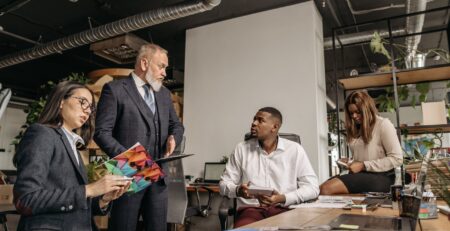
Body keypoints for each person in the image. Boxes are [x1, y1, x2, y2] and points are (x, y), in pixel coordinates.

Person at [13, 81, 130, 231]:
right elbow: (26, 200)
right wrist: (89, 190)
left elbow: (77, 207)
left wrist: (103, 198)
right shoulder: (42, 134)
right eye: (83, 102)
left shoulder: (72, 144)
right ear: (61, 101)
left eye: (91, 107)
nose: (88, 111)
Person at [94, 43, 184, 231]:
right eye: (161, 66)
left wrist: (174, 137)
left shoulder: (165, 95)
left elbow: (176, 125)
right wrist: (134, 161)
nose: (165, 73)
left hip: (158, 181)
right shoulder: (115, 89)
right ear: (144, 63)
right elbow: (101, 133)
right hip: (127, 178)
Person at [219, 107, 319, 227]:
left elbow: (312, 188)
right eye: (254, 119)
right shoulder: (241, 149)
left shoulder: (295, 150)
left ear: (274, 127)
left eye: (260, 120)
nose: (254, 123)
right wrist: (238, 190)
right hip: (251, 210)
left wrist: (282, 198)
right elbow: (224, 184)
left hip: (284, 209)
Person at [320, 90, 403, 195]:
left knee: (325, 189)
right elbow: (365, 157)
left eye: (358, 112)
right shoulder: (356, 128)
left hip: (382, 177)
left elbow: (397, 159)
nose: (354, 116)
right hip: (362, 175)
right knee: (319, 189)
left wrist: (363, 165)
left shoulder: (383, 124)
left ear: (367, 109)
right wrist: (350, 162)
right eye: (351, 113)